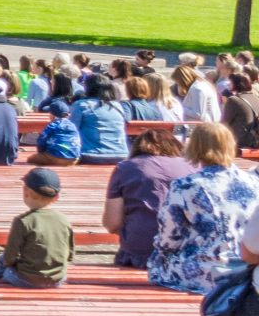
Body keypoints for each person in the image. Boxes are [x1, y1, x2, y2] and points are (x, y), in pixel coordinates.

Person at [148, 122, 259, 296]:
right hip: (246, 267)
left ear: (195, 146)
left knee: (157, 262)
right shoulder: (253, 182)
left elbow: (169, 239)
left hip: (206, 269)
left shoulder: (185, 185)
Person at [103, 126, 192, 270]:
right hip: (184, 250)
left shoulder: (125, 168)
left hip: (140, 251)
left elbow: (112, 223)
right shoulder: (192, 167)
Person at [0, 167, 72, 288]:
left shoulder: (23, 221)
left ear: (26, 192)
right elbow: (69, 254)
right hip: (57, 280)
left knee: (2, 261)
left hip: (26, 280)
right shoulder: (64, 220)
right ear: (56, 197)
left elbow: (9, 258)